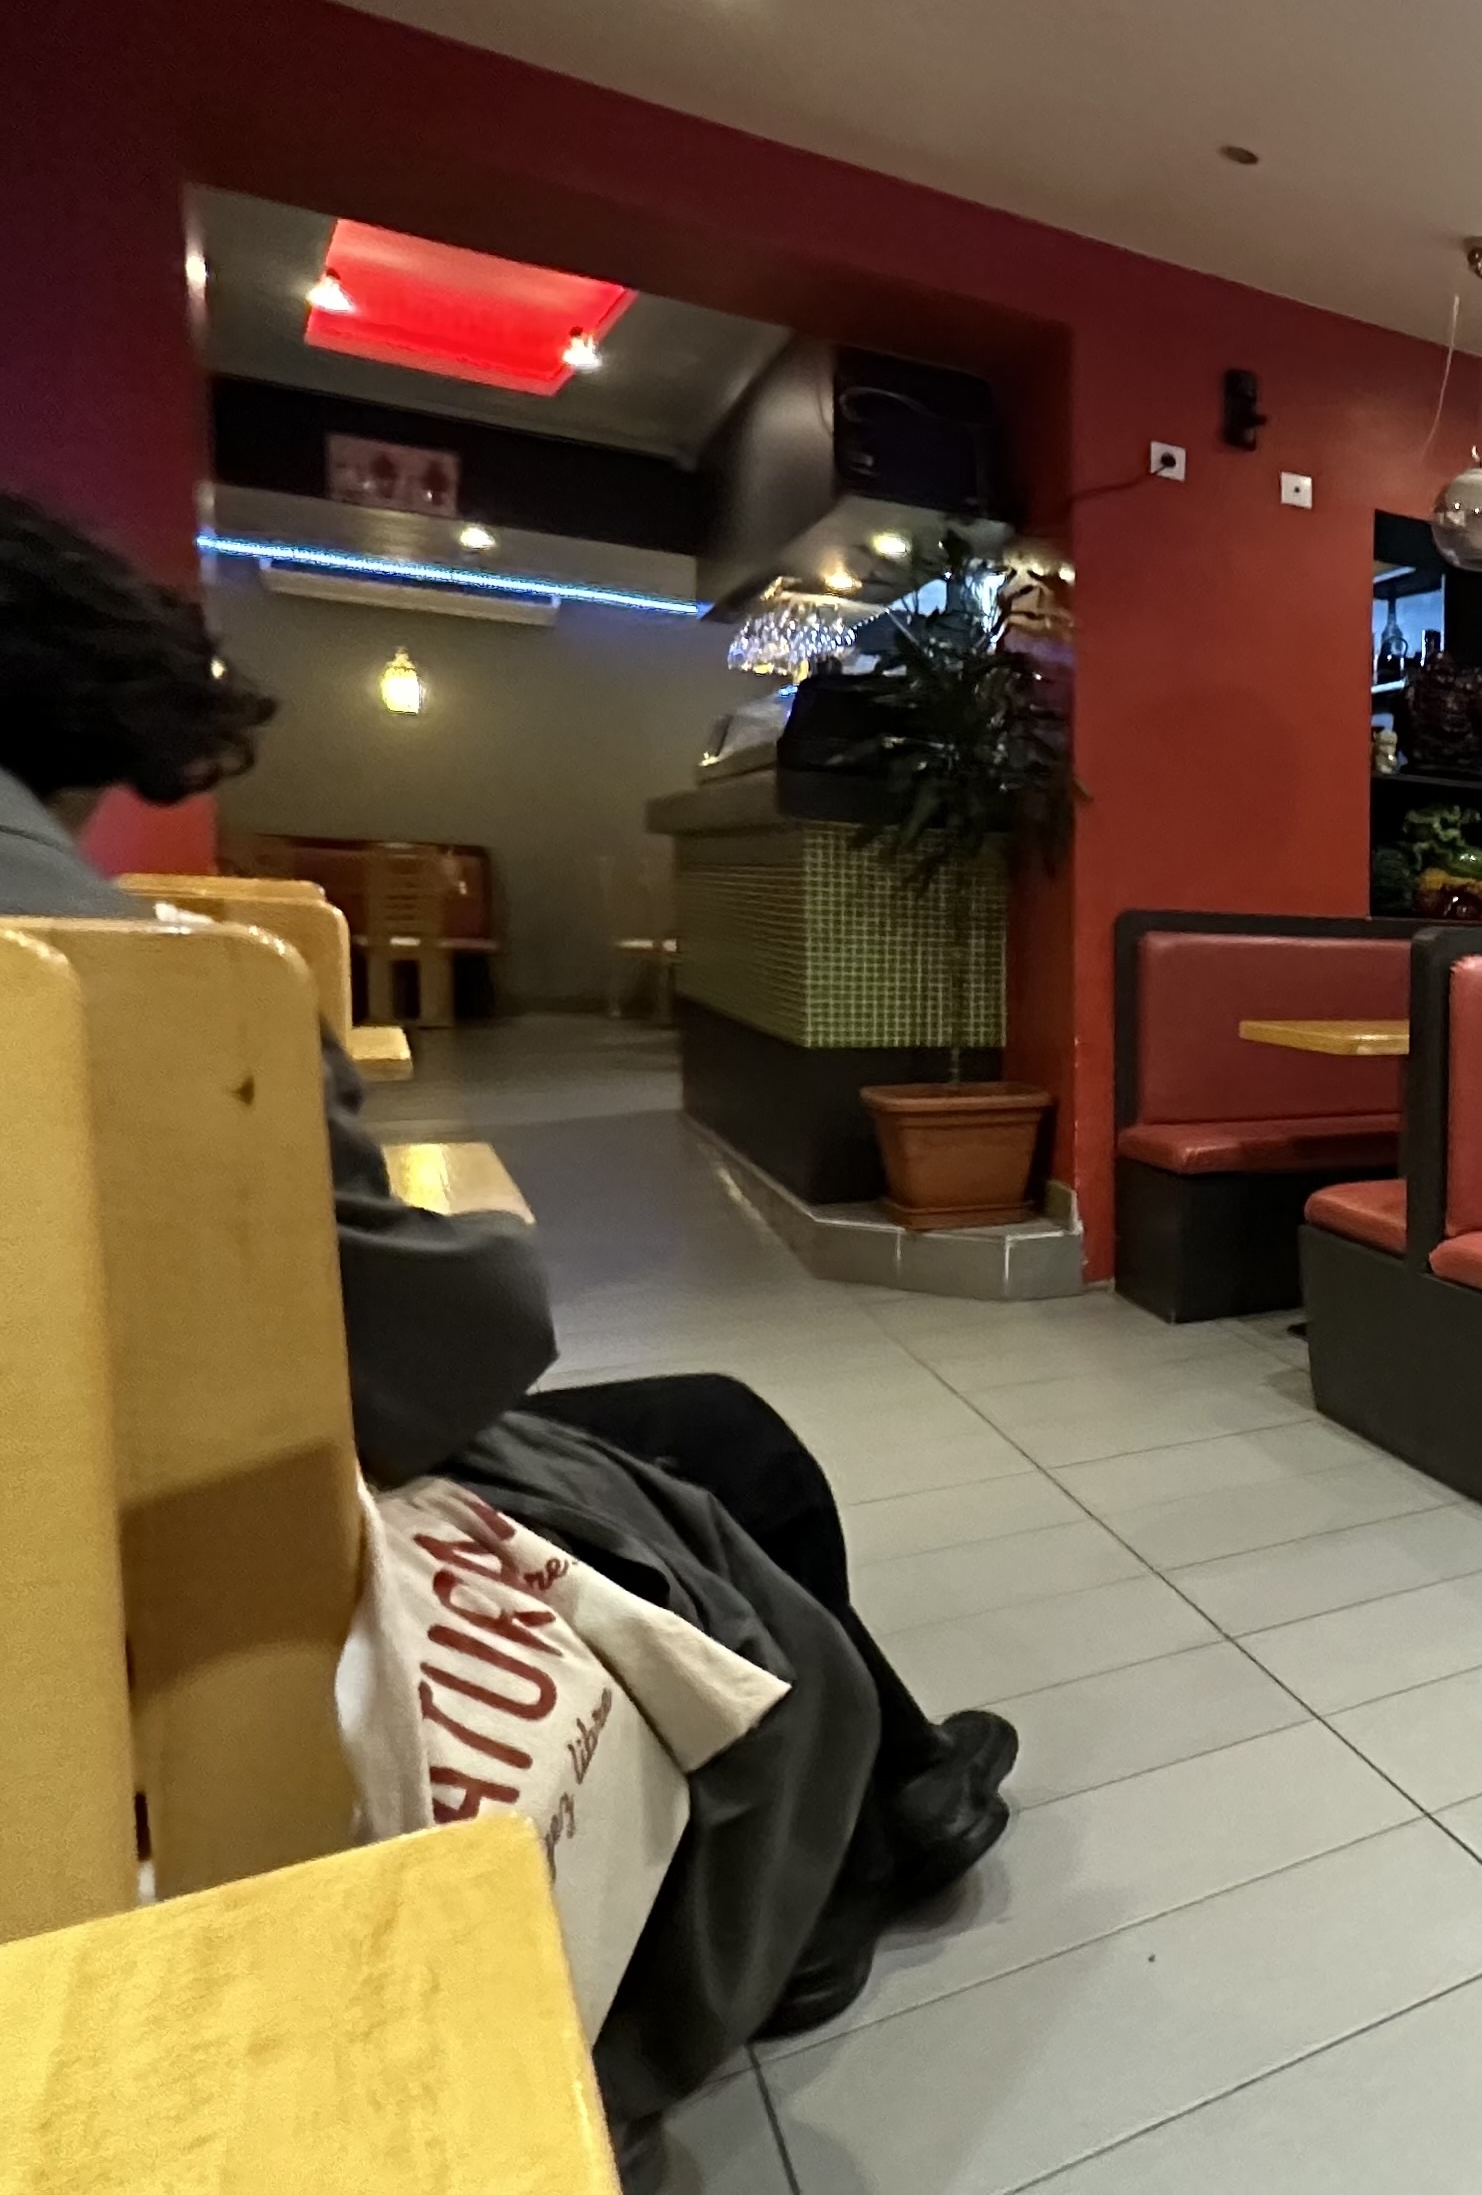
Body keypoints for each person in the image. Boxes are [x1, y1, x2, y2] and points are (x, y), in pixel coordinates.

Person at [0, 487, 1011, 2163]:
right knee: (727, 1442)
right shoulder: (128, 969)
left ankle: (881, 1807)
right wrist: (470, 1240)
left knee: (716, 1437)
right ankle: (857, 1843)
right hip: (174, 1536)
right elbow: (423, 1348)